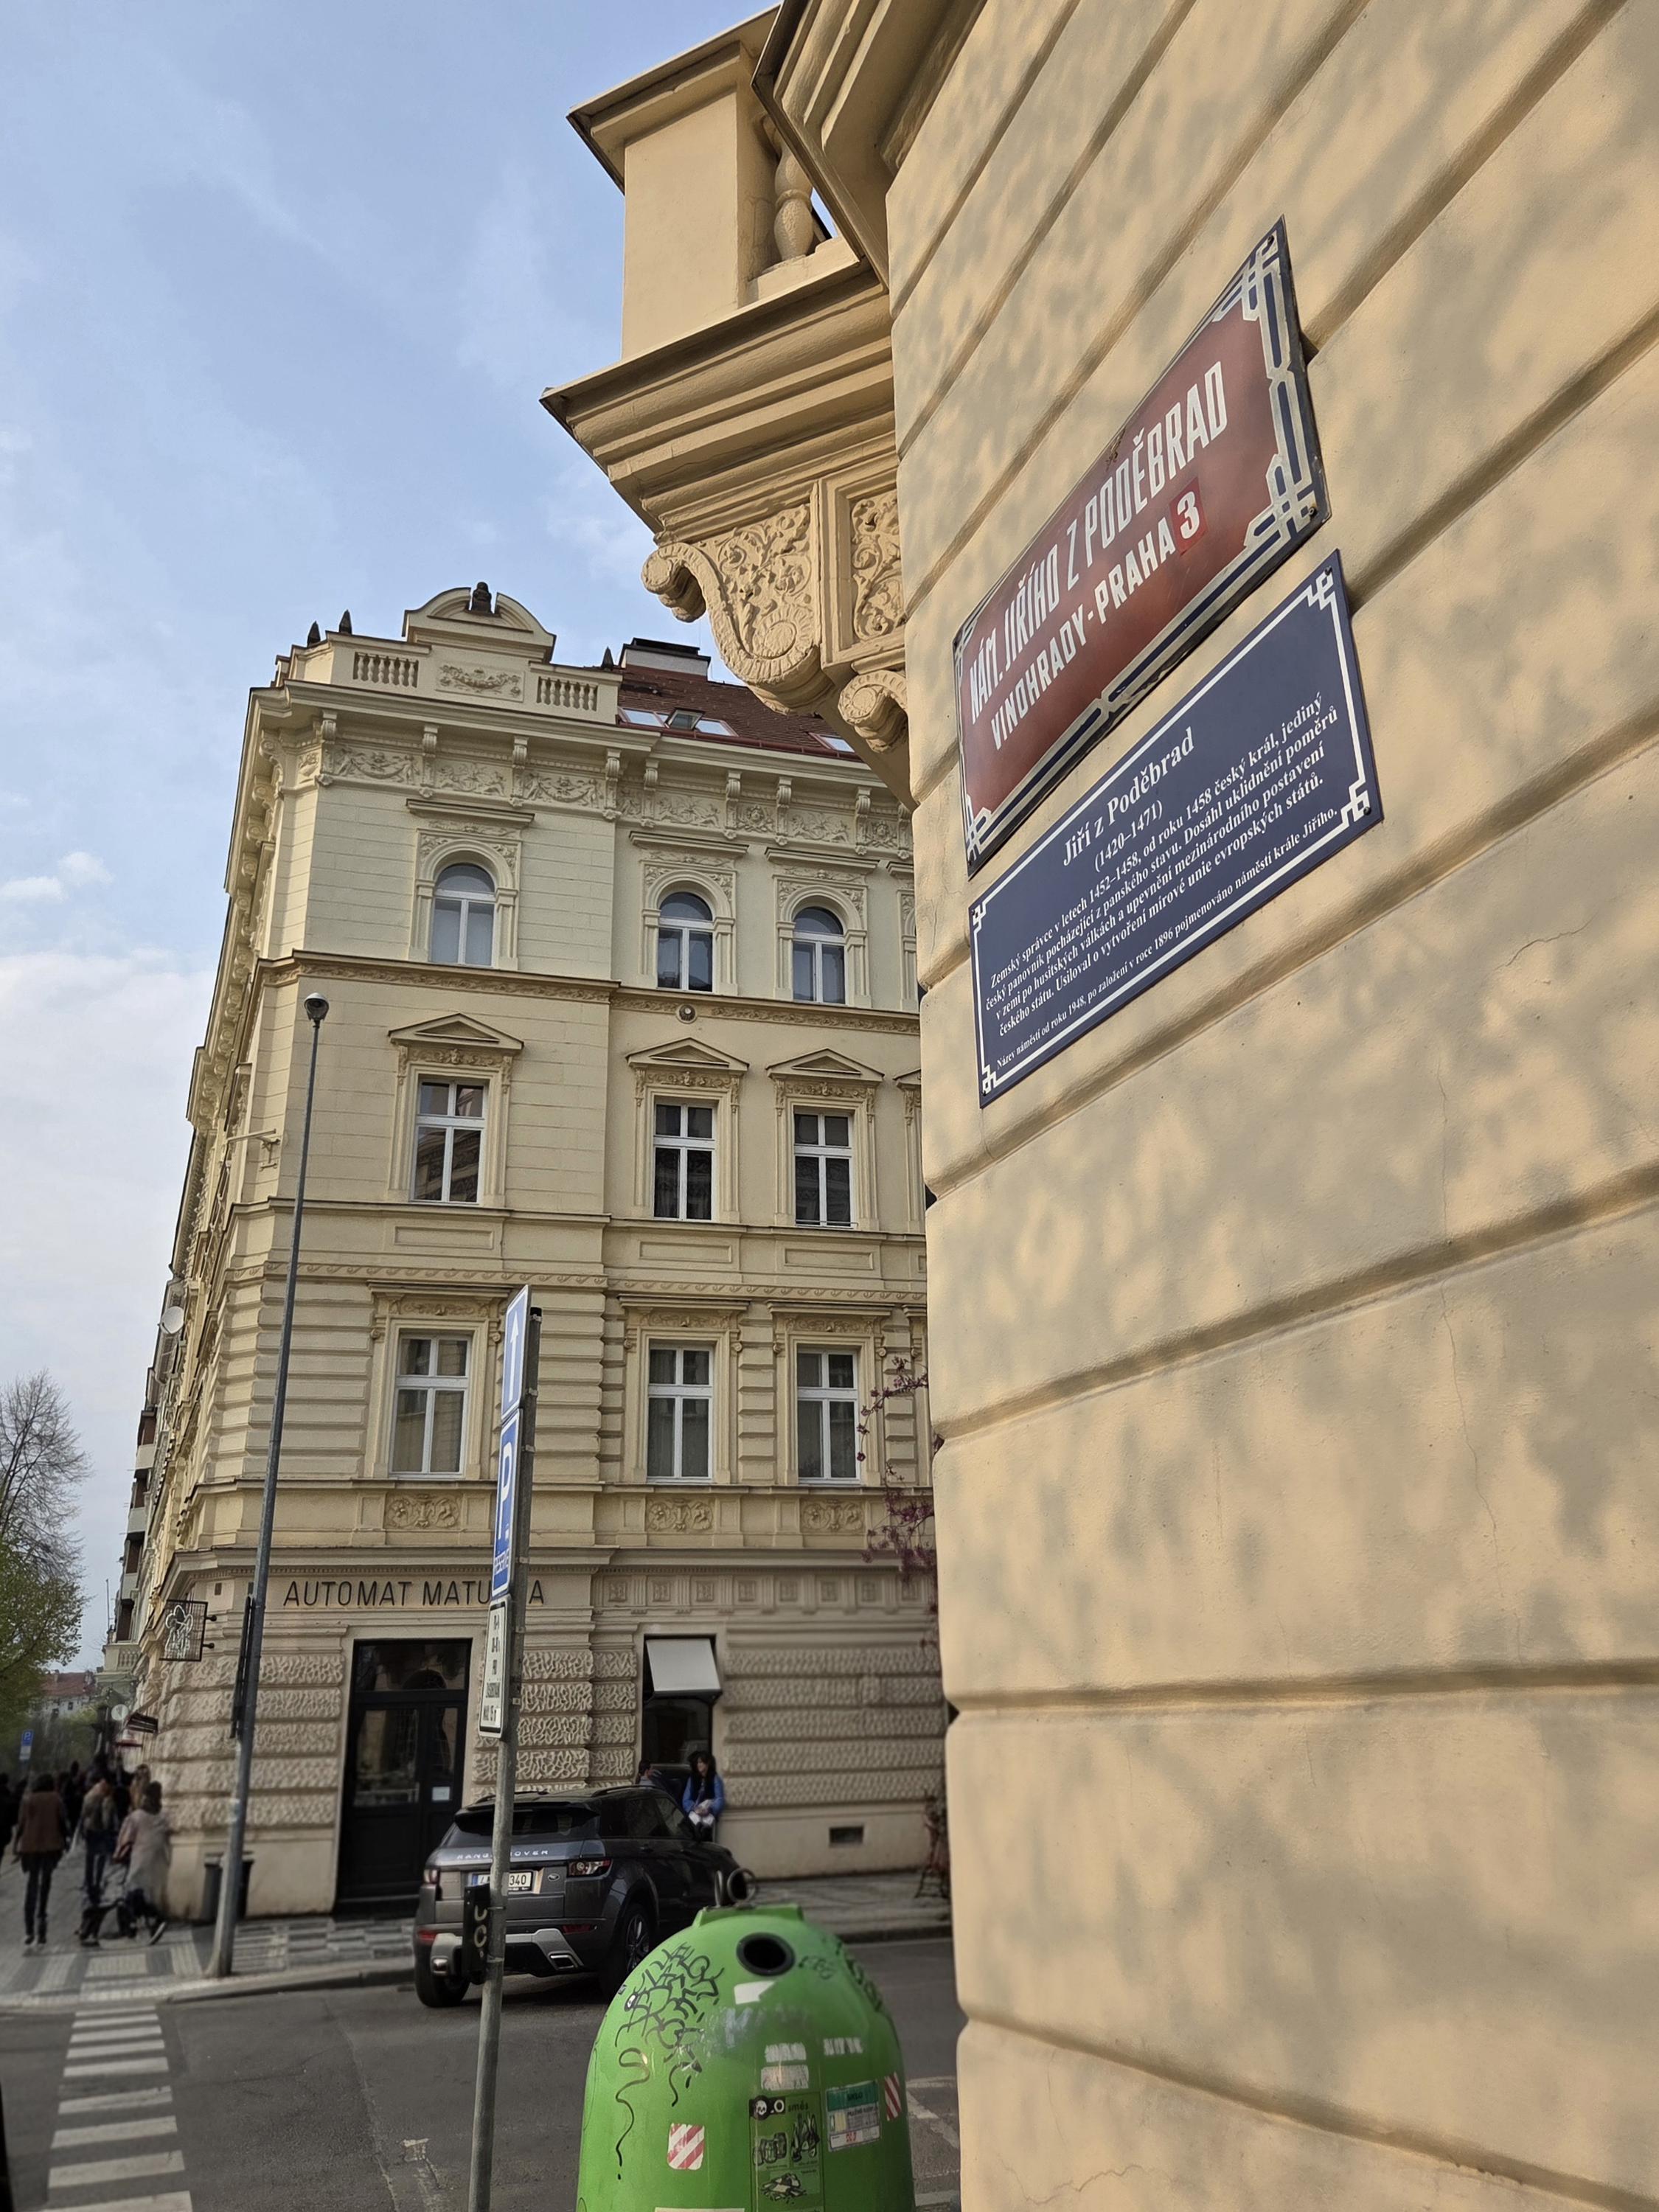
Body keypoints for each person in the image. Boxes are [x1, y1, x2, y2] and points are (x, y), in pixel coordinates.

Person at [14, 1771, 69, 1948]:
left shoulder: (28, 1800)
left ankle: (29, 1931)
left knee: (31, 1885)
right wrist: (66, 1839)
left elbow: (21, 1824)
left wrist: (17, 1844)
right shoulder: (56, 1799)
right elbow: (62, 1822)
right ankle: (42, 1931)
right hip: (51, 1847)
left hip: (30, 1848)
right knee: (45, 1886)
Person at [114, 1781, 171, 1944]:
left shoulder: (136, 1817)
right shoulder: (163, 1816)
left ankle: (154, 1919)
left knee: (132, 1892)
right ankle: (148, 1923)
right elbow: (166, 1836)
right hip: (159, 1860)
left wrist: (118, 1854)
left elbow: (125, 1839)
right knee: (144, 1894)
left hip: (141, 1859)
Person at [77, 1764, 120, 1940]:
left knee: (90, 1861)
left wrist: (82, 1829)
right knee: (101, 1864)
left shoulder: (90, 1795)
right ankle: (96, 1883)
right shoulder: (106, 1798)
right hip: (101, 1835)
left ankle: (90, 1884)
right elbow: (107, 1820)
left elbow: (83, 1815)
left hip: (89, 1833)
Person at [681, 1749, 725, 1840]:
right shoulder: (692, 1779)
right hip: (695, 1811)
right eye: (697, 1763)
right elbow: (686, 1800)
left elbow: (719, 1799)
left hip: (708, 1812)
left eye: (701, 1762)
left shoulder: (715, 1779)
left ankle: (703, 1831)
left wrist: (709, 1809)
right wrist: (695, 1808)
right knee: (692, 1819)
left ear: (707, 1763)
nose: (698, 1765)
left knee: (708, 1804)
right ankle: (697, 1830)